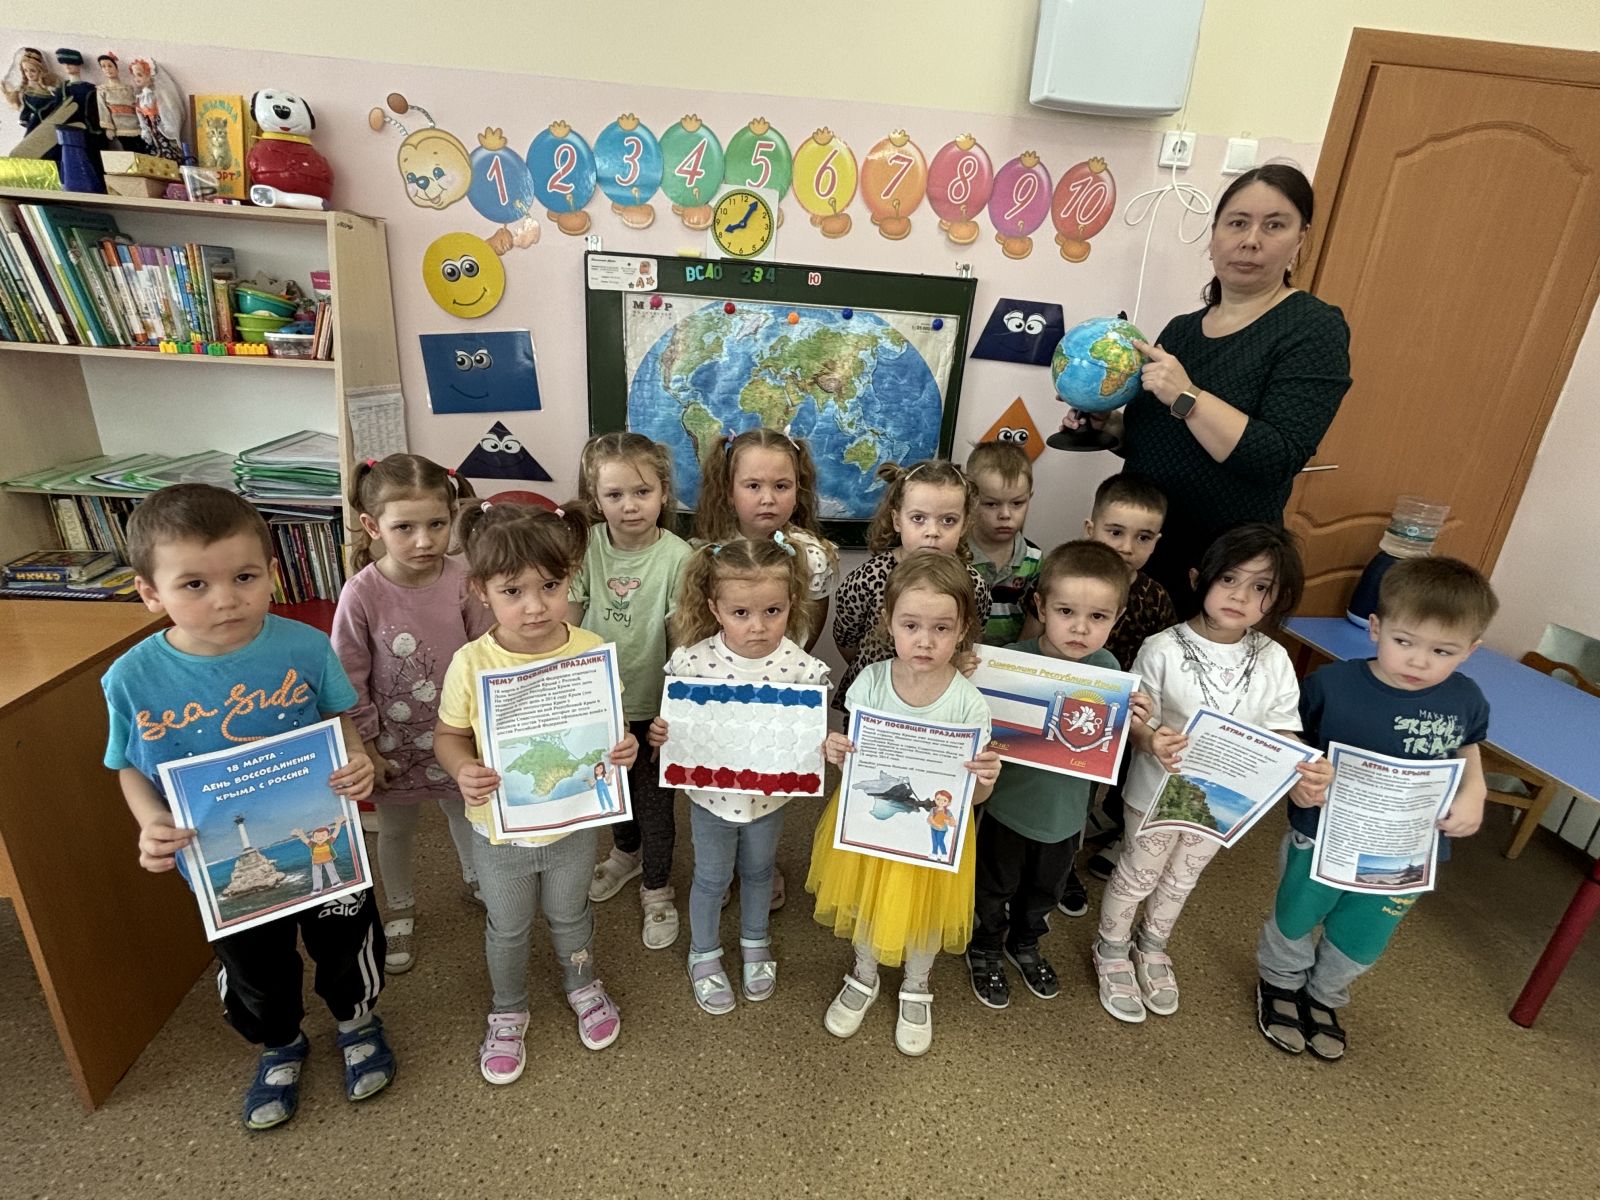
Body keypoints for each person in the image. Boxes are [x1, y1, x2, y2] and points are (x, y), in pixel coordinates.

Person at [102, 484, 391, 1131]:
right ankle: (279, 1042)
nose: (226, 598)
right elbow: (128, 768)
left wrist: (357, 757)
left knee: (347, 941)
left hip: (328, 844)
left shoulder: (304, 647)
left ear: (272, 573)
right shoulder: (131, 679)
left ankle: (357, 1020)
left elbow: (338, 720)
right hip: (216, 863)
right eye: (194, 584)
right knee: (255, 968)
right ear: (150, 593)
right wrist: (150, 822)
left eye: (244, 576)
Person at [1060, 164, 1352, 606]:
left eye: (1274, 225)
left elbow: (1275, 459)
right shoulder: (1181, 330)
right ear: (1214, 235)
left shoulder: (1312, 328)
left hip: (1221, 570)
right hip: (1141, 554)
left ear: (1301, 239)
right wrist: (1111, 426)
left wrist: (1188, 396)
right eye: (1237, 223)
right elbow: (1156, 438)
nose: (1251, 240)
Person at [1256, 557, 1495, 1061]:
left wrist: (1475, 790)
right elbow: (1290, 742)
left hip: (1405, 846)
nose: (1419, 661)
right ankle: (1279, 982)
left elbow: (1467, 744)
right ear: (1375, 627)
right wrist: (1298, 783)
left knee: (1366, 930)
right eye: (1404, 641)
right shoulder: (1331, 685)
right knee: (1297, 911)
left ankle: (1325, 995)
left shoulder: (1467, 697)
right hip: (1323, 832)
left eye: (1443, 651)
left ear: (1471, 651)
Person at [1093, 524, 1332, 1024]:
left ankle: (1152, 944)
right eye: (1229, 579)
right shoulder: (1162, 647)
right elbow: (1136, 717)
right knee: (1138, 872)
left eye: (1260, 586)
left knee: (1183, 878)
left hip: (1225, 800)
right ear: (1199, 578)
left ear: (1277, 597)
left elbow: (1283, 729)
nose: (1240, 596)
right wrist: (1150, 739)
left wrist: (1306, 764)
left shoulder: (1274, 659)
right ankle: (1111, 947)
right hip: (1157, 792)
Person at [434, 501, 638, 1085]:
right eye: (512, 591)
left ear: (570, 577)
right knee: (509, 924)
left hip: (574, 824)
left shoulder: (590, 649)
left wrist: (622, 746)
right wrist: (462, 768)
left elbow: (609, 728)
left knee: (571, 914)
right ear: (481, 591)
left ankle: (582, 982)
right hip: (499, 832)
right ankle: (508, 1007)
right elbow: (447, 736)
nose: (534, 606)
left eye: (550, 586)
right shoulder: (471, 663)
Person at [809, 551, 1002, 1056]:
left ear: (962, 630)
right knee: (868, 901)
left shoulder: (968, 703)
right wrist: (837, 752)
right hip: (874, 825)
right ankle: (864, 973)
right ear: (889, 622)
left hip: (935, 833)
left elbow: (975, 797)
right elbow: (858, 769)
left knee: (926, 913)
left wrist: (986, 779)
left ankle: (917, 984)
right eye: (911, 625)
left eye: (941, 628)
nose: (925, 640)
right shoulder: (871, 683)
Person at [651, 535, 831, 1014]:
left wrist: (825, 743)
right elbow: (674, 726)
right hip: (710, 800)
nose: (757, 626)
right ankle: (703, 952)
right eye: (741, 613)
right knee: (711, 878)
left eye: (773, 611)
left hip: (768, 801)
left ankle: (755, 940)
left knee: (758, 872)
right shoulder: (693, 662)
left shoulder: (802, 668)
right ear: (715, 607)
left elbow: (808, 734)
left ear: (792, 602)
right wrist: (662, 732)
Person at [968, 541, 1151, 1008]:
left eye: (1098, 617)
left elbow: (1111, 741)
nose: (1080, 628)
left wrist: (1136, 721)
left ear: (1117, 618)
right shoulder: (1009, 661)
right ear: (1041, 606)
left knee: (1044, 889)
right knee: (993, 886)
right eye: (1066, 611)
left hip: (1067, 816)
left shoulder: (1109, 670)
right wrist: (967, 676)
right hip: (1007, 809)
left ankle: (1025, 942)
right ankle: (985, 946)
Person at [331, 454, 490, 975]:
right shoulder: (361, 593)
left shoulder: (464, 581)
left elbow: (486, 654)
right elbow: (347, 677)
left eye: (437, 525)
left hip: (457, 737)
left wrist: (484, 732)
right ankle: (398, 908)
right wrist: (365, 748)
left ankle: (478, 880)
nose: (424, 541)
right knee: (396, 828)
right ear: (372, 526)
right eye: (405, 528)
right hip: (391, 745)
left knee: (464, 813)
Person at [567, 432, 693, 948]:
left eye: (642, 492)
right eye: (614, 495)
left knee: (654, 802)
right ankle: (625, 854)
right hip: (599, 704)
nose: (630, 505)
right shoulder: (586, 546)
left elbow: (683, 642)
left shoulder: (679, 556)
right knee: (612, 792)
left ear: (664, 492)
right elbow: (567, 627)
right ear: (596, 499)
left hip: (652, 706)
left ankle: (657, 887)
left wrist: (675, 709)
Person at [1074, 472, 1179, 890]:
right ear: (1091, 529)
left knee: (1123, 771)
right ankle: (1069, 849)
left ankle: (1117, 825)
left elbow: (1166, 659)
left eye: (1143, 537)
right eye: (1115, 532)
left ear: (1157, 541)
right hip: (1072, 704)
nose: (1126, 547)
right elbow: (1033, 641)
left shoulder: (1155, 598)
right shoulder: (1066, 577)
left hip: (1129, 710)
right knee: (1075, 780)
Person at [830, 459, 992, 707]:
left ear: (965, 524)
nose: (932, 531)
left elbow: (968, 640)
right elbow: (847, 642)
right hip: (873, 701)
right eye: (918, 518)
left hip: (937, 701)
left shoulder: (974, 585)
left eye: (948, 520)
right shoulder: (865, 581)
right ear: (897, 520)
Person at [693, 427, 840, 650]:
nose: (768, 499)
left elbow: (807, 637)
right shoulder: (707, 553)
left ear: (797, 490)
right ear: (730, 491)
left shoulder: (812, 557)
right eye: (753, 486)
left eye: (781, 486)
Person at [964, 440, 1041, 646]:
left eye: (1017, 503)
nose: (1005, 514)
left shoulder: (1034, 560)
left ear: (1029, 497)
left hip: (1011, 657)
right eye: (991, 504)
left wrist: (1018, 657)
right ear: (971, 499)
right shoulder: (956, 553)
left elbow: (1035, 620)